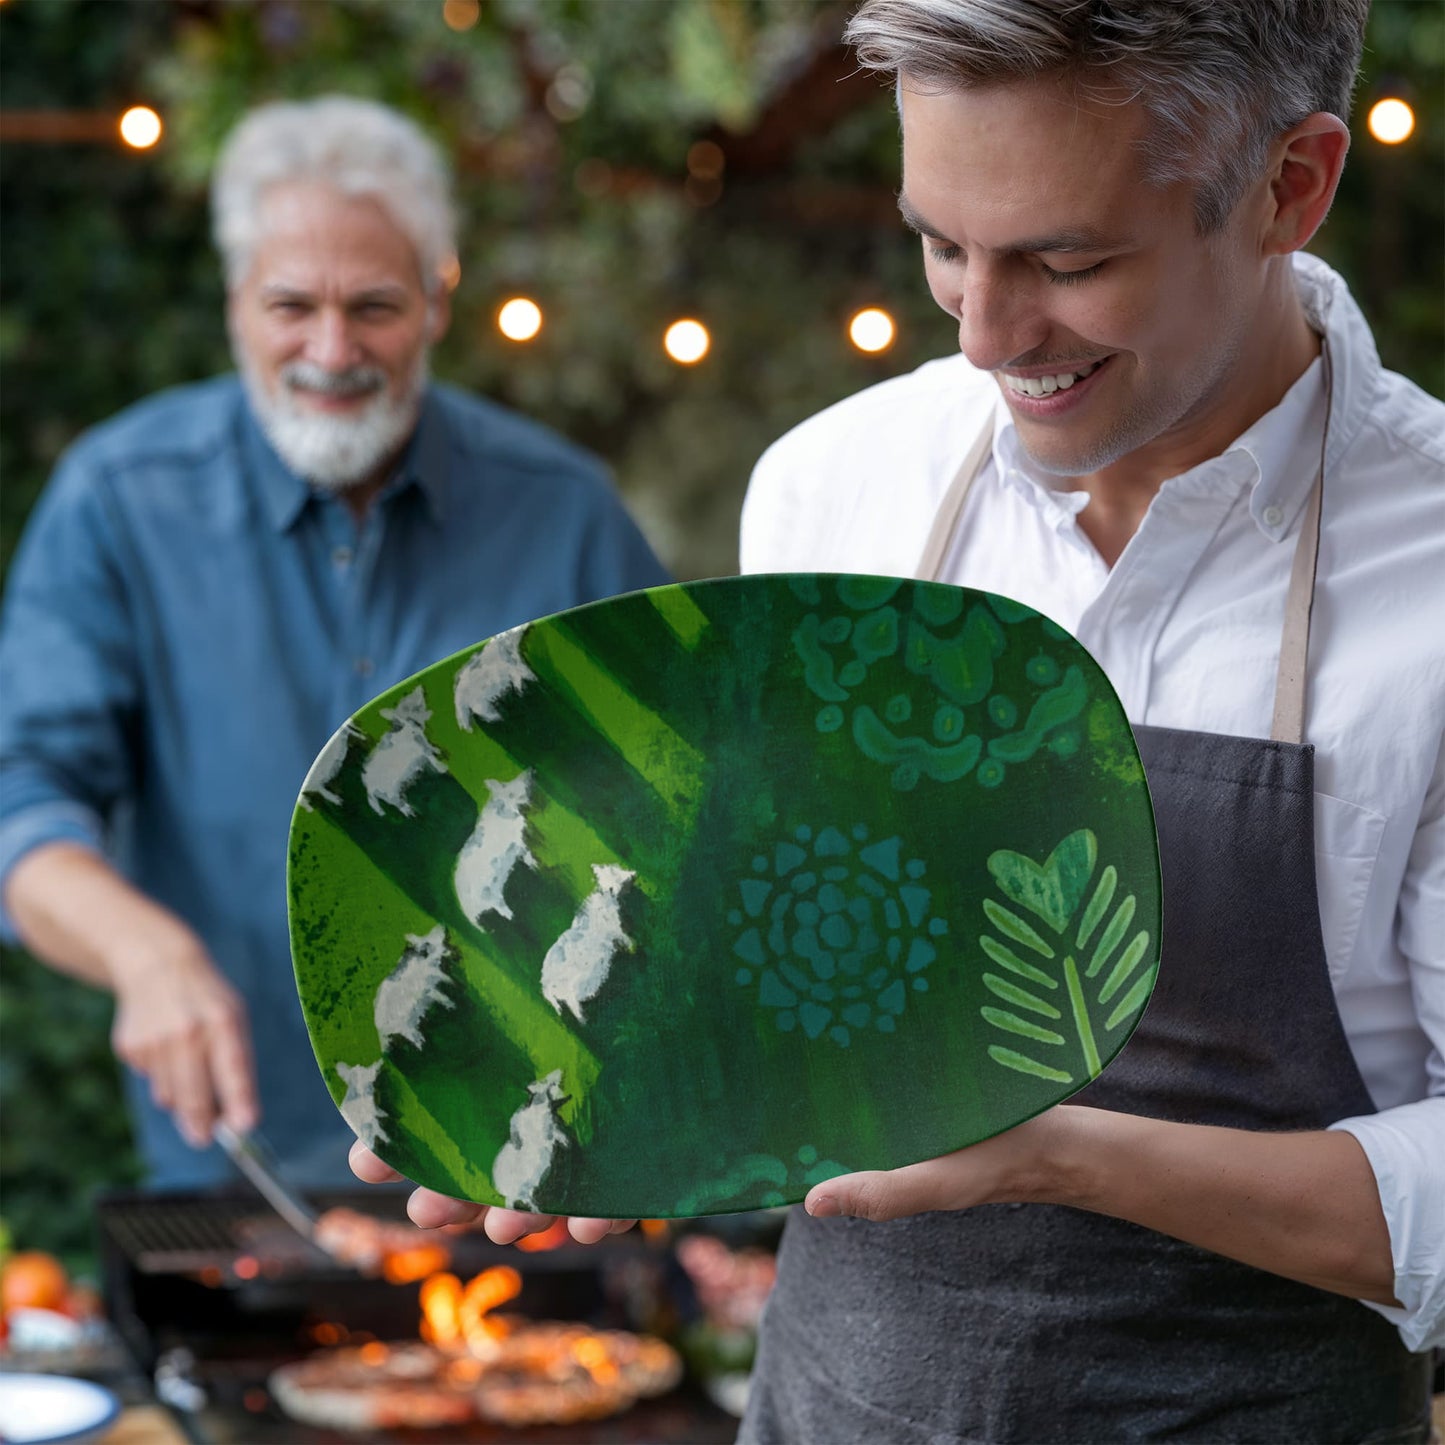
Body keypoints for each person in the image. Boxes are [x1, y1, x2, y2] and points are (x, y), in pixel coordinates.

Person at [352, 1, 1444, 1439]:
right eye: (940, 243)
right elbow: (773, 978)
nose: (987, 335)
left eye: (1067, 260)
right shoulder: (837, 484)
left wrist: (1055, 1155)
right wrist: (622, 1090)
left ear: (1289, 187)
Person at [0, 96, 669, 1191]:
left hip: (523, 1172)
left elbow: (675, 800)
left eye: (373, 306)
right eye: (289, 305)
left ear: (439, 300)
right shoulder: (118, 499)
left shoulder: (566, 513)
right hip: (234, 1171)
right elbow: (21, 802)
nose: (331, 348)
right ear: (233, 303)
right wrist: (142, 950)